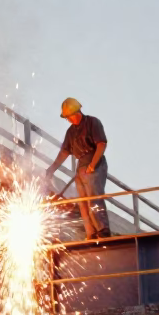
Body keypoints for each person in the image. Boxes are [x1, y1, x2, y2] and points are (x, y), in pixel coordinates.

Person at [44, 97, 111, 239]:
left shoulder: (93, 122)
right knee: (83, 203)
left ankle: (102, 230)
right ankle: (91, 233)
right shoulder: (71, 132)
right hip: (81, 166)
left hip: (95, 163)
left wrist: (93, 165)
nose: (68, 120)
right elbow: (64, 152)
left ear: (76, 113)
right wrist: (52, 168)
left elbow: (101, 144)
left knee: (94, 198)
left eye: (68, 117)